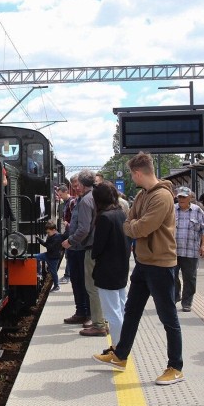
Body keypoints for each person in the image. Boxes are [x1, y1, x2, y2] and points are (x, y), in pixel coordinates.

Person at [93, 152, 184, 385]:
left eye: (133, 176)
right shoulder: (144, 195)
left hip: (161, 264)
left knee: (168, 318)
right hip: (144, 263)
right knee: (131, 311)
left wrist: (133, 225)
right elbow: (128, 221)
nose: (132, 180)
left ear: (138, 173)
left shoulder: (162, 196)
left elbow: (141, 227)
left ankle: (175, 367)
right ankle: (121, 355)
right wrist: (133, 225)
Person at [62, 170, 106, 336]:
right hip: (77, 248)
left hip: (82, 247)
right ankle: (82, 313)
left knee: (88, 285)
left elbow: (84, 228)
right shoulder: (81, 199)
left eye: (77, 184)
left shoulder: (87, 200)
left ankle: (92, 318)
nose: (75, 187)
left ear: (82, 183)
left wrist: (70, 240)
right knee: (78, 282)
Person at [91, 182, 130, 350]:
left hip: (107, 270)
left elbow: (98, 247)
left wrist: (94, 256)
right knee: (121, 308)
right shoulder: (120, 213)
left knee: (112, 313)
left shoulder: (104, 217)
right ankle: (123, 345)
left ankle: (117, 348)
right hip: (121, 267)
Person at [174, 186, 204, 312]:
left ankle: (187, 302)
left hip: (191, 251)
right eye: (179, 196)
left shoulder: (197, 210)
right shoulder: (172, 210)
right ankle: (175, 296)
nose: (181, 199)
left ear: (190, 197)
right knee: (172, 276)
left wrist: (203, 245)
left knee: (189, 278)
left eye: (184, 197)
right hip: (173, 251)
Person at [36, 222, 65, 292]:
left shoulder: (58, 237)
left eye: (48, 232)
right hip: (48, 255)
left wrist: (42, 241)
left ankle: (57, 286)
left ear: (54, 230)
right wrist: (39, 239)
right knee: (36, 257)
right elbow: (46, 244)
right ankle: (39, 273)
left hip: (54, 258)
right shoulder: (51, 236)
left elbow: (49, 246)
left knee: (53, 272)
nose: (48, 234)